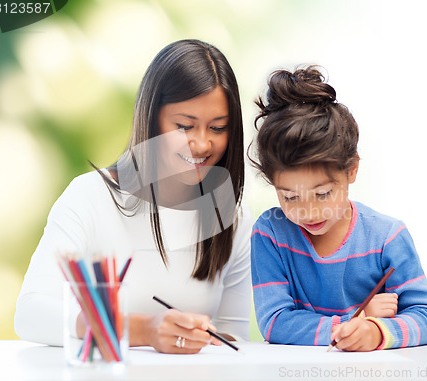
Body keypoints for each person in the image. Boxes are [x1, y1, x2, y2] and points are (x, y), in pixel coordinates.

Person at [14, 39, 253, 354]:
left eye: (218, 128)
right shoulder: (91, 196)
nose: (202, 144)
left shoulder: (233, 216)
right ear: (151, 120)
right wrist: (143, 330)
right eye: (184, 126)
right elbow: (30, 314)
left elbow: (232, 338)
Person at [249, 66, 427, 351]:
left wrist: (377, 331)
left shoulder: (387, 236)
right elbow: (275, 322)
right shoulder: (270, 234)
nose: (309, 212)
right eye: (290, 197)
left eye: (323, 194)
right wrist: (354, 320)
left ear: (352, 170)